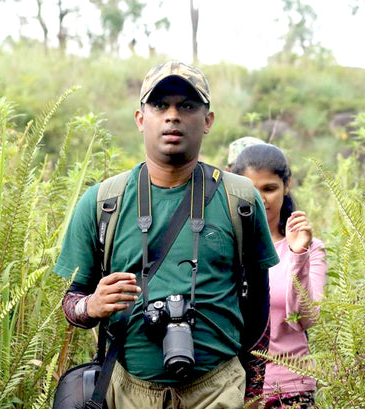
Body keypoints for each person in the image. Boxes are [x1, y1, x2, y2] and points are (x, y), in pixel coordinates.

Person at [55, 61, 279, 408]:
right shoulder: (103, 203)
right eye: (160, 105)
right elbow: (71, 302)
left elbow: (258, 311)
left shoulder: (241, 199)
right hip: (127, 391)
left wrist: (251, 386)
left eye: (187, 106)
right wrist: (93, 305)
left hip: (217, 389)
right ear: (140, 119)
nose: (172, 116)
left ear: (208, 120)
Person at [232, 144, 327, 408]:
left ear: (286, 186)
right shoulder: (225, 247)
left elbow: (305, 319)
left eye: (269, 188)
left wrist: (298, 255)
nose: (261, 199)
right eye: (251, 190)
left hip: (290, 391)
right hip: (232, 386)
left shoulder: (310, 249)